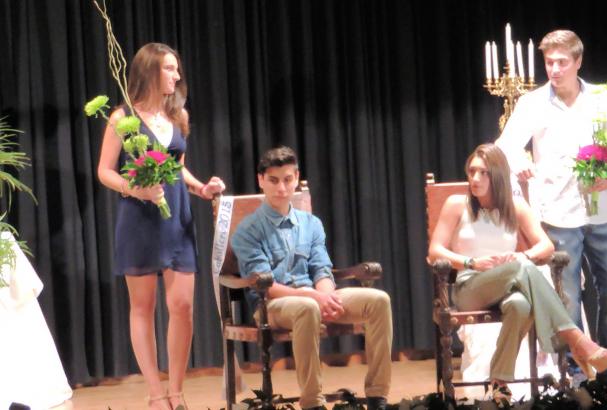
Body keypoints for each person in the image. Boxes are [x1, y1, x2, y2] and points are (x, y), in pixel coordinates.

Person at [428, 144, 607, 401]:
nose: (475, 178)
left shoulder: (514, 206)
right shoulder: (456, 204)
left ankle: (500, 383)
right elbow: (435, 251)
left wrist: (522, 256)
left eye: (483, 172)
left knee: (519, 304)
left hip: (509, 285)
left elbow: (546, 246)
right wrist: (472, 262)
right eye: (471, 171)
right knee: (523, 269)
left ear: (498, 175)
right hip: (470, 287)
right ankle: (576, 340)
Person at [97, 42, 226, 410]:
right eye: (170, 68)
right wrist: (134, 188)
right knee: (143, 307)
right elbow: (105, 170)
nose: (177, 75)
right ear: (150, 71)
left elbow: (176, 167)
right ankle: (155, 393)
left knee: (182, 305)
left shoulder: (178, 115)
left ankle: (177, 391)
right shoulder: (122, 117)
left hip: (177, 220)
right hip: (138, 220)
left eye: (176, 68)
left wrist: (201, 188)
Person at [495, 29, 607, 381]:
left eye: (561, 62)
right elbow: (504, 146)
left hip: (600, 212)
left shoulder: (601, 99)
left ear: (578, 61)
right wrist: (518, 159)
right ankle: (576, 369)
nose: (554, 69)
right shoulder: (533, 103)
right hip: (556, 212)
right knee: (567, 294)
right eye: (549, 62)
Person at [230, 146, 392, 410]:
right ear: (261, 180)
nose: (282, 187)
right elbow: (265, 286)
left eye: (287, 179)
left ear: (296, 177)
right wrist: (313, 297)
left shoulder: (311, 223)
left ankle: (377, 395)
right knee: (306, 307)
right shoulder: (248, 229)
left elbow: (321, 268)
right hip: (271, 305)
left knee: (379, 300)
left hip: (313, 297)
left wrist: (326, 296)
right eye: (273, 180)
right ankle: (312, 402)